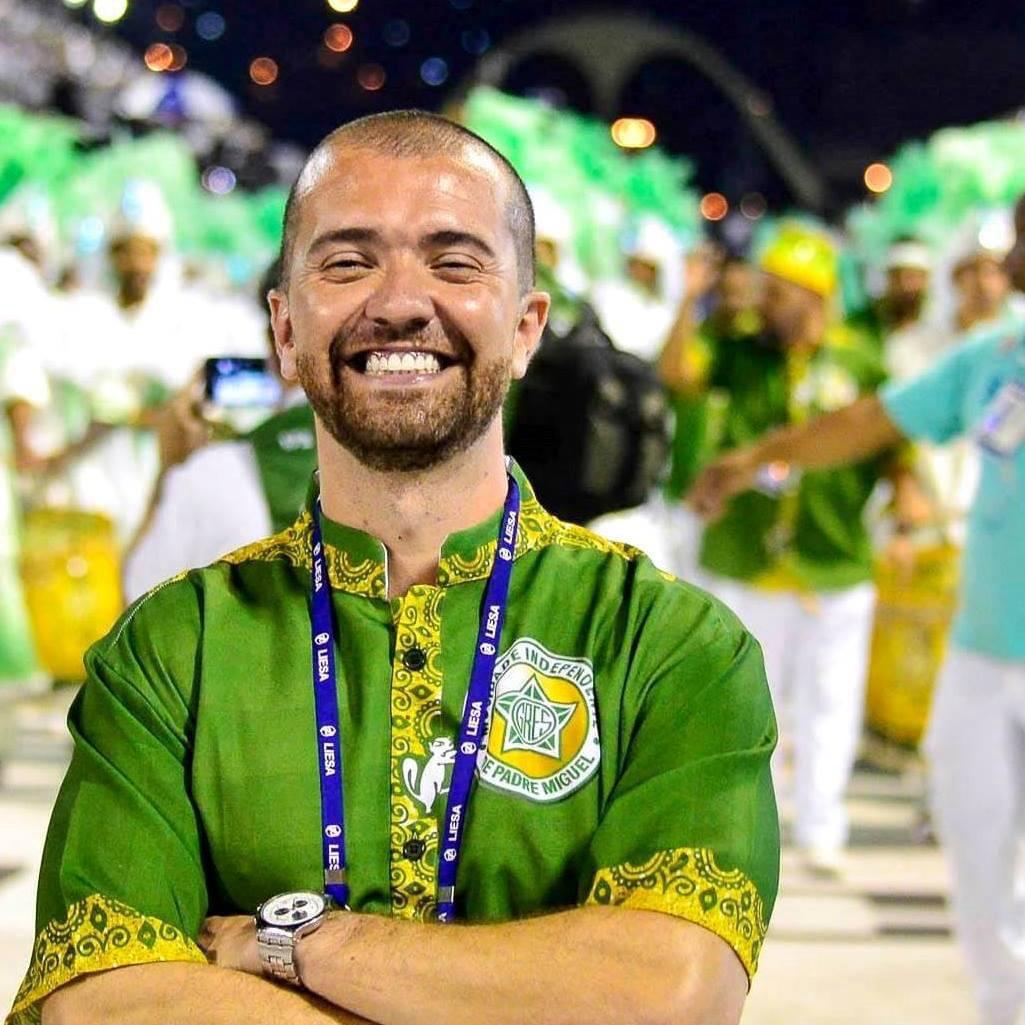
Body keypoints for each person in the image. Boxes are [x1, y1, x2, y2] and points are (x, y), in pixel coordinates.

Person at [9, 111, 779, 1025]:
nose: (401, 302)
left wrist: (293, 942)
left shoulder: (669, 645)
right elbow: (101, 1003)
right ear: (285, 331)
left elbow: (669, 994)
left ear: (527, 325)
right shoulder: (175, 648)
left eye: (454, 262)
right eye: (347, 262)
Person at [689, 193, 1025, 1025]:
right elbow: (869, 424)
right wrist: (753, 460)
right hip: (984, 657)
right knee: (979, 867)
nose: (1010, 257)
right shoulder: (997, 355)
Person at [662, 222, 903, 876]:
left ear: (814, 296)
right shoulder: (739, 350)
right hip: (746, 558)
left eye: (778, 291)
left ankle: (820, 825)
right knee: (745, 701)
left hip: (833, 557)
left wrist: (908, 503)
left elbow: (890, 442)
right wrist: (687, 300)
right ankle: (742, 827)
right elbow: (678, 372)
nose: (763, 301)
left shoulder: (861, 359)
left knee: (829, 703)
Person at [122, 261, 316, 601]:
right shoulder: (427, 462)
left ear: (280, 336)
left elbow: (137, 607)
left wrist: (169, 470)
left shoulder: (215, 474)